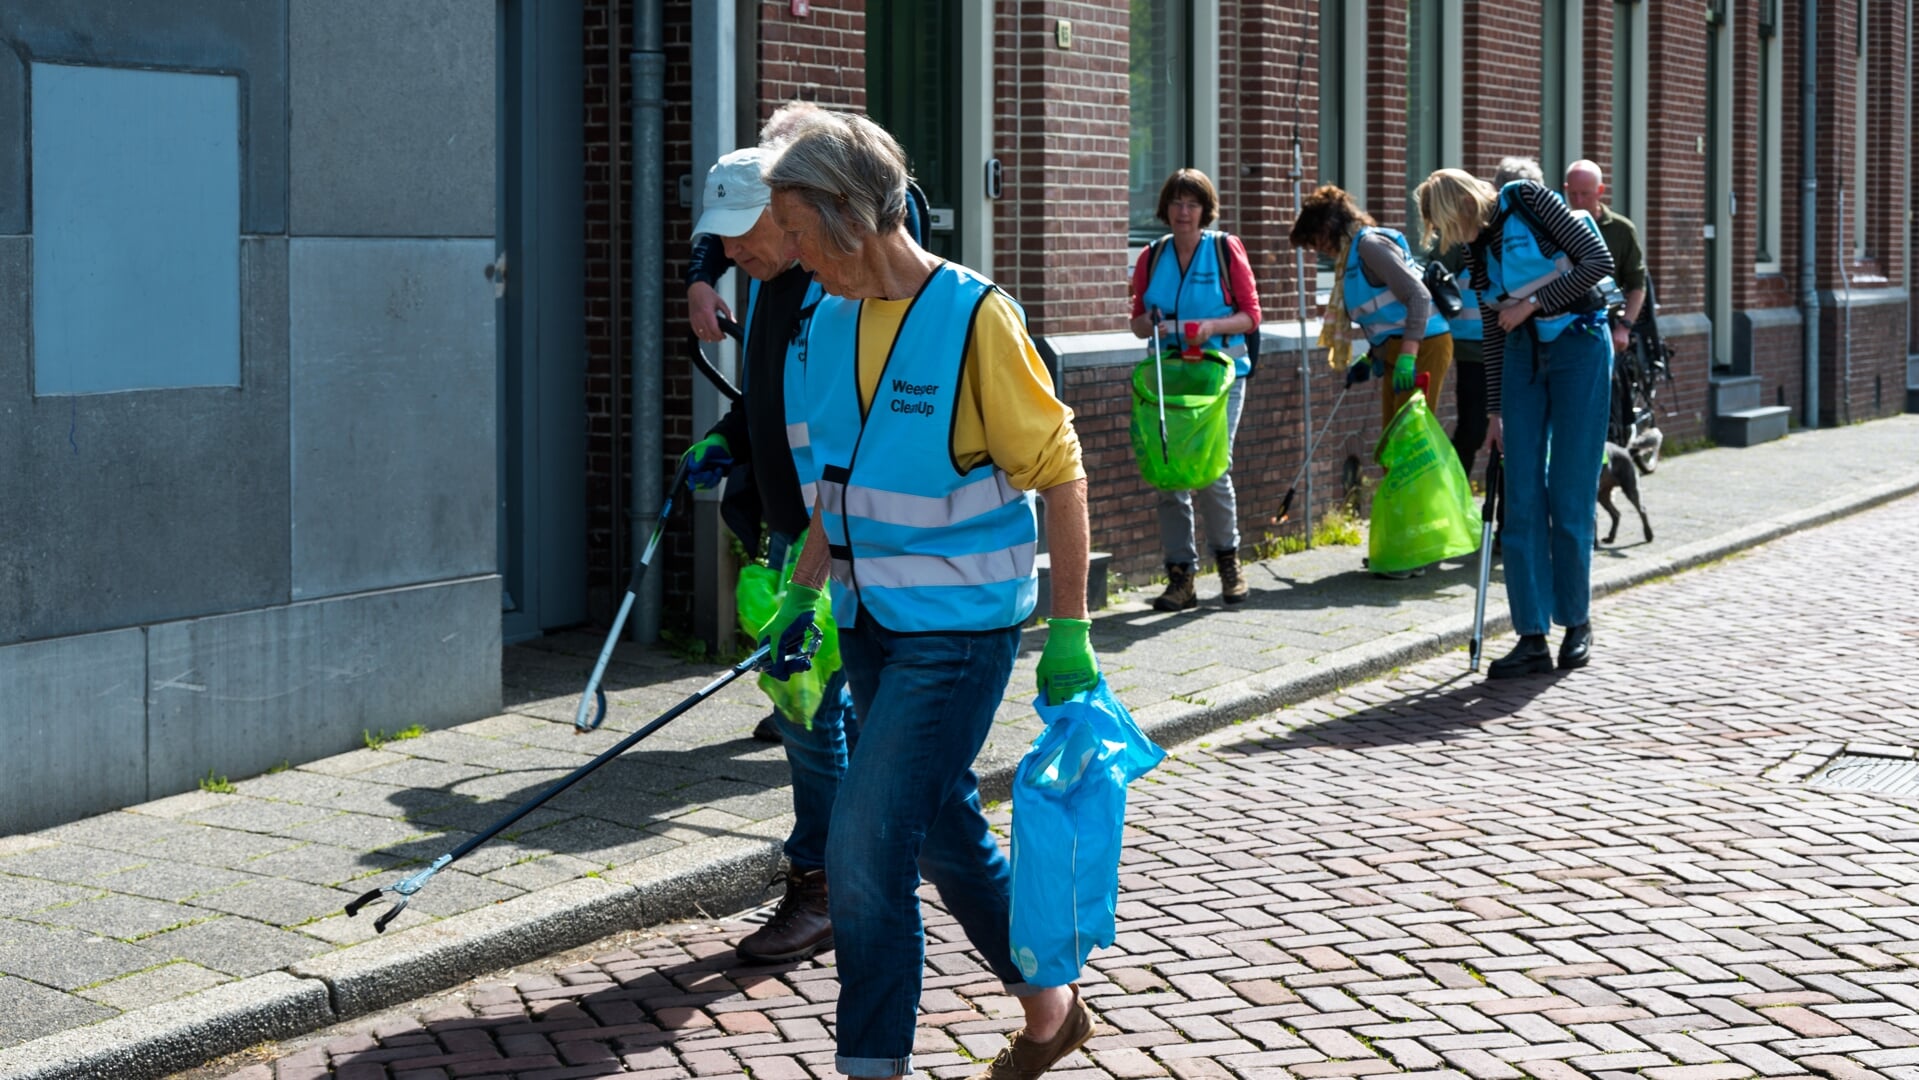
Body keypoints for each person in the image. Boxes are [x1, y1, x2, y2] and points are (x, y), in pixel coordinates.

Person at [759, 111, 1099, 1080]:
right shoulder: (822, 321)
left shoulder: (972, 318)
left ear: (849, 221)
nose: (785, 253)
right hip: (869, 627)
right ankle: (1051, 1008)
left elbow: (1060, 472)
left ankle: (870, 1067)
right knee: (942, 821)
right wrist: (799, 596)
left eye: (794, 231)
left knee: (862, 849)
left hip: (957, 636)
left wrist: (1069, 629)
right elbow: (840, 483)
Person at [678, 140, 850, 965]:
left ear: (791, 215)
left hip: (838, 546)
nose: (731, 254)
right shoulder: (778, 283)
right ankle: (852, 873)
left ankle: (826, 884)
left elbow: (849, 427)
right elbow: (775, 401)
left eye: (742, 235)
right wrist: (728, 439)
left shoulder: (836, 290)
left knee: (812, 715)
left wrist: (813, 577)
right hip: (796, 533)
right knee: (814, 711)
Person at [1415, 168, 1616, 677]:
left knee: (1568, 492)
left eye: (1446, 224)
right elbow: (1492, 326)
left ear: (1462, 206)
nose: (1447, 238)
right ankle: (1531, 636)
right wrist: (1496, 412)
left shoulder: (1526, 200)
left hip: (1581, 346)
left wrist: (1533, 304)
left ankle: (1576, 622)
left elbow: (1598, 261)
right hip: (1522, 358)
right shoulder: (1476, 251)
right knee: (1521, 499)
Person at [1288, 185, 1454, 579]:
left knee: (1410, 450)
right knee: (1393, 448)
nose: (1320, 252)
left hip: (1423, 348)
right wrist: (1373, 356)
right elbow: (1386, 316)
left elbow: (1417, 297)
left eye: (1317, 243)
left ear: (1330, 226)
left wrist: (1409, 352)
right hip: (1399, 351)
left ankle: (1413, 550)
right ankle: (1406, 543)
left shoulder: (1369, 247)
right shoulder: (1353, 256)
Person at [1126, 169, 1262, 610]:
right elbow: (1136, 323)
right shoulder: (1152, 255)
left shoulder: (1224, 249)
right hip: (1170, 379)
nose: (1184, 213)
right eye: (1176, 204)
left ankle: (1228, 562)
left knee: (1211, 469)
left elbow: (1251, 315)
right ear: (1165, 209)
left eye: (1193, 204)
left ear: (1205, 211)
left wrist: (1211, 327)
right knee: (1170, 475)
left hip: (1220, 376)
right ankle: (1180, 577)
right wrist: (1149, 322)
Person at [1562, 160, 1649, 364]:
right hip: (1564, 328)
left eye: (1585, 194)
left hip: (1604, 325)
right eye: (1573, 194)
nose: (1578, 200)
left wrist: (1624, 327)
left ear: (1600, 190)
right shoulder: (1556, 228)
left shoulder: (1622, 230)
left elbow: (1637, 283)